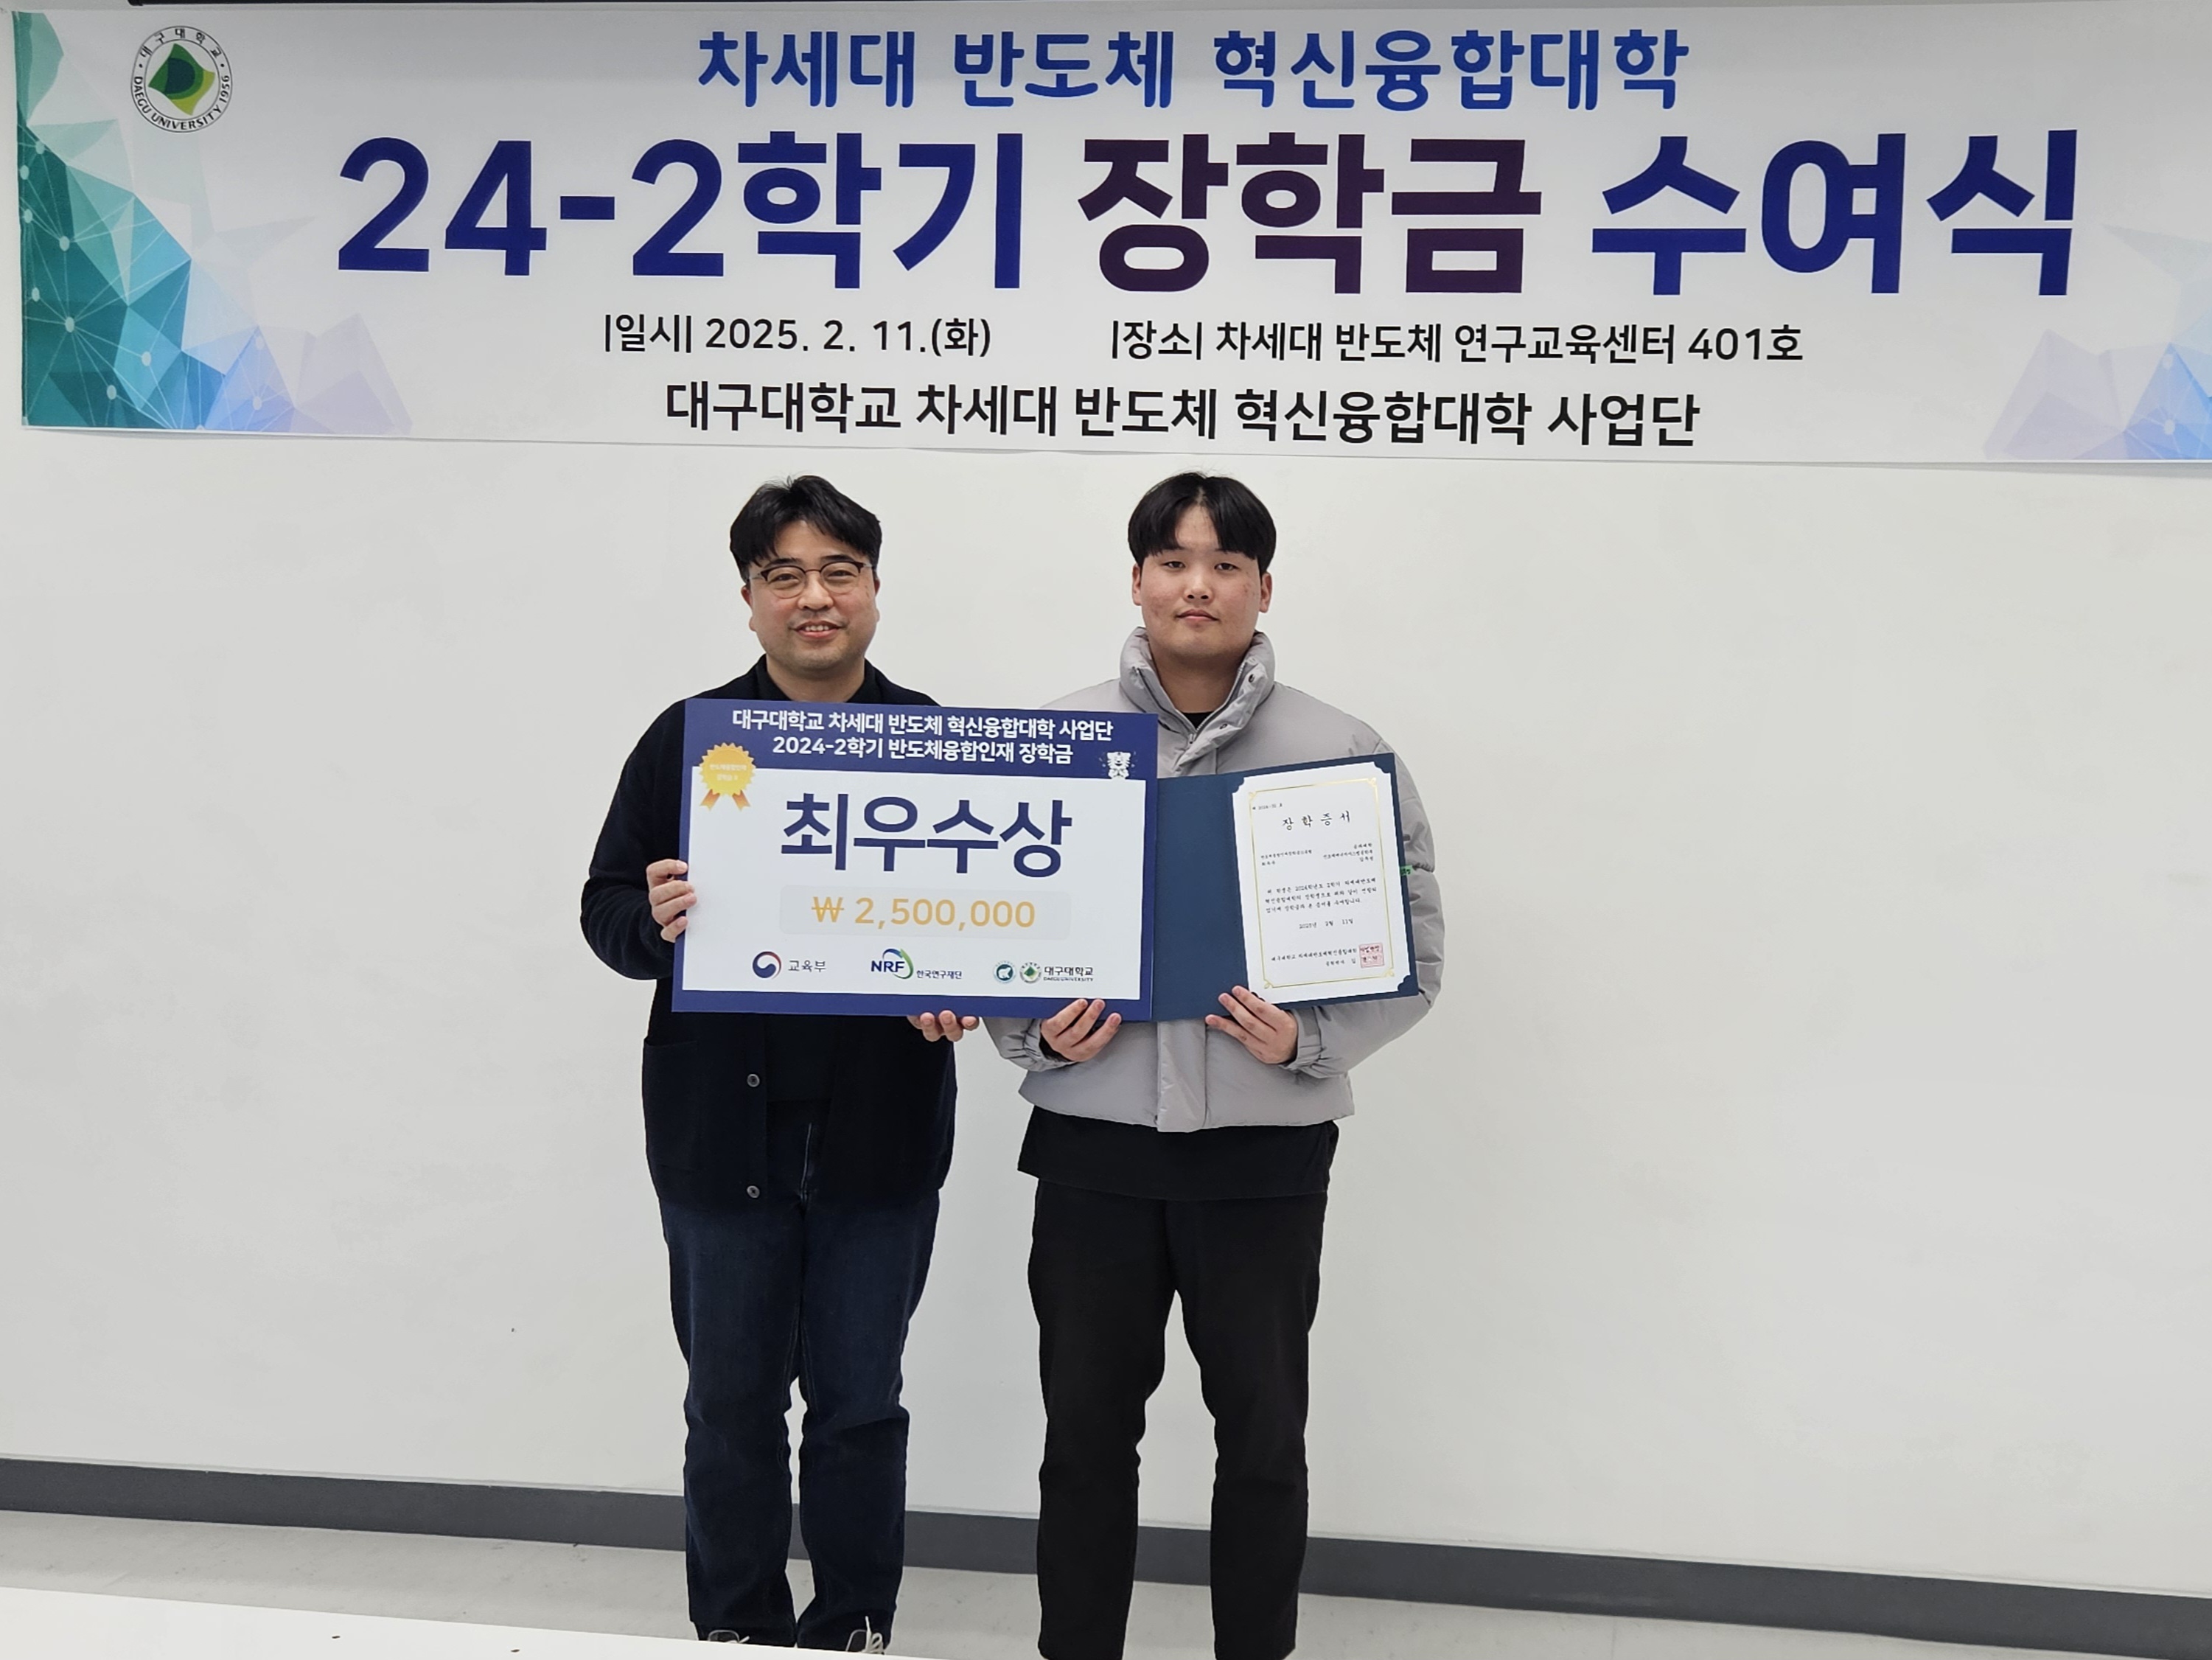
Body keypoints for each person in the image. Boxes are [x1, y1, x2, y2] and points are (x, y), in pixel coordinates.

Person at [986, 473, 1445, 1660]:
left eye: (1225, 564)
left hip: (1263, 1152)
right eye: (1174, 561)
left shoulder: (1342, 752)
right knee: (1084, 1439)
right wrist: (1037, 1035)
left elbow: (1415, 949)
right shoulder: (1053, 744)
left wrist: (1311, 1043)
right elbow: (994, 934)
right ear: (1136, 580)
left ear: (1263, 587)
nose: (1199, 585)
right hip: (1092, 1147)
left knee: (1263, 1441)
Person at [581, 475, 974, 1651]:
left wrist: (963, 985)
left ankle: (852, 1624)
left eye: (838, 572)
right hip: (719, 1137)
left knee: (859, 1404)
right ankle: (739, 1630)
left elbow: (984, 919)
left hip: (879, 1137)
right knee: (730, 1407)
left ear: (874, 590)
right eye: (784, 575)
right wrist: (654, 919)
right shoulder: (689, 739)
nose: (815, 597)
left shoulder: (936, 741)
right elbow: (605, 911)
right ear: (749, 598)